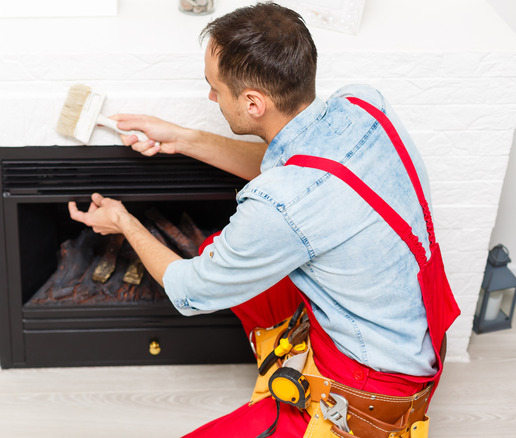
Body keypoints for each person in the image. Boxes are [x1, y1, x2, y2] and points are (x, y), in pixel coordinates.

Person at [68, 3, 459, 437]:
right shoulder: (364, 105)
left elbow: (189, 291)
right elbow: (299, 168)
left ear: (253, 103)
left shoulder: (279, 206)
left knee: (213, 268)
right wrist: (183, 138)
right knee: (217, 246)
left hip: (371, 391)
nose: (211, 98)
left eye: (215, 88)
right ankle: (290, 358)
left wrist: (123, 221)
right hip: (414, 332)